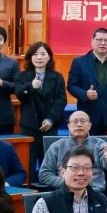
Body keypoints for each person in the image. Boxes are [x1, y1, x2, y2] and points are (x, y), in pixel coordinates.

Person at [14, 40, 67, 176]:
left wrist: (51, 119)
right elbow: (20, 95)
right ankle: (29, 187)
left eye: (43, 54)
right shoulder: (22, 76)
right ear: (30, 57)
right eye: (35, 54)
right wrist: (30, 86)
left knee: (50, 162)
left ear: (49, 57)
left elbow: (61, 100)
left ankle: (49, 187)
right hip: (29, 125)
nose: (39, 57)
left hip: (49, 125)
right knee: (28, 162)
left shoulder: (57, 77)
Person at [66, 27, 107, 135]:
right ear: (92, 41)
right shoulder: (79, 62)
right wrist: (85, 94)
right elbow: (71, 86)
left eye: (106, 40)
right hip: (88, 117)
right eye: (99, 40)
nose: (103, 43)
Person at [37, 111, 107, 193]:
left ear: (90, 125)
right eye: (75, 121)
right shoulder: (56, 146)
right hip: (65, 193)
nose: (79, 124)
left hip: (94, 192)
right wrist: (68, 184)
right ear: (69, 126)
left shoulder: (100, 144)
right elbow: (44, 174)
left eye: (83, 121)